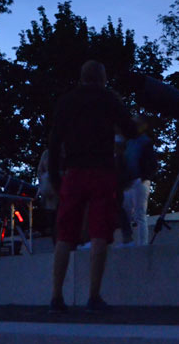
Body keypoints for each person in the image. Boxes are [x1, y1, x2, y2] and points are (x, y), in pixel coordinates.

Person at [47, 60, 138, 313]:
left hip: (73, 172)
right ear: (103, 78)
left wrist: (55, 177)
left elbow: (55, 141)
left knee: (65, 235)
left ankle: (56, 297)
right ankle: (93, 296)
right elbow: (130, 130)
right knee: (100, 233)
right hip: (102, 171)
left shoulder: (66, 101)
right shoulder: (109, 99)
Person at [121, 116, 157, 246]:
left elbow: (152, 162)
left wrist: (145, 176)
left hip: (139, 180)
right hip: (129, 182)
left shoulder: (145, 142)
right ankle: (129, 240)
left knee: (139, 213)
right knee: (126, 212)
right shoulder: (129, 142)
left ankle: (142, 243)